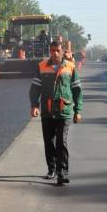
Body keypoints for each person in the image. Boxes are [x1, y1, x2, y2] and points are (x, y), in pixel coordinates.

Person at [29, 37, 82, 185]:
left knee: (61, 141)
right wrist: (34, 105)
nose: (55, 53)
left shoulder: (70, 67)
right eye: (52, 51)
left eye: (58, 51)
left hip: (64, 111)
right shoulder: (42, 66)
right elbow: (35, 88)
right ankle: (51, 169)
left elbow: (77, 90)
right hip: (47, 111)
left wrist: (78, 110)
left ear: (63, 51)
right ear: (50, 51)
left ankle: (63, 172)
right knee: (49, 142)